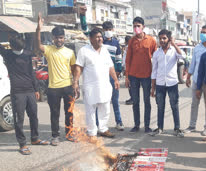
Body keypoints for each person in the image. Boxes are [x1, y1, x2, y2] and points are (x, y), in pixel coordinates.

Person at [0, 35, 49, 155]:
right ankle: (22, 144)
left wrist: (36, 89)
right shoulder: (8, 55)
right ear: (12, 46)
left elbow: (32, 73)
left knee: (34, 116)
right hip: (17, 92)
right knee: (19, 120)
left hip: (30, 91)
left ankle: (35, 138)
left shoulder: (28, 54)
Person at [79, 7, 124, 131]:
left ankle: (119, 122)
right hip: (99, 76)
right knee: (98, 101)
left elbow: (118, 59)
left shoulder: (115, 43)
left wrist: (117, 74)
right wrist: (82, 16)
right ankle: (97, 126)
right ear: (103, 31)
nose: (108, 32)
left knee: (114, 100)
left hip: (111, 74)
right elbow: (85, 30)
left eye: (110, 29)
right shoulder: (99, 41)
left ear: (112, 30)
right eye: (106, 30)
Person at [36, 13, 76, 145]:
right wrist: (38, 29)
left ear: (64, 38)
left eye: (61, 37)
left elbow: (74, 69)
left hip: (68, 86)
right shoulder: (48, 50)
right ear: (52, 38)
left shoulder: (70, 52)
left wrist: (76, 84)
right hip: (53, 88)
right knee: (54, 114)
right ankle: (55, 136)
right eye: (56, 38)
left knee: (69, 112)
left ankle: (69, 134)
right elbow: (38, 46)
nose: (59, 40)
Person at [73, 28, 120, 141]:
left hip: (104, 85)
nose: (100, 39)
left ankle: (103, 129)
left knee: (105, 108)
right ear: (91, 39)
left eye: (101, 37)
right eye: (97, 37)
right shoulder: (84, 51)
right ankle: (92, 132)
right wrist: (75, 82)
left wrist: (115, 79)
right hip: (90, 86)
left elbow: (111, 66)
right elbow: (79, 67)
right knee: (90, 110)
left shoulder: (104, 50)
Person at [125, 17, 157, 133]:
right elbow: (128, 59)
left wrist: (155, 76)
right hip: (133, 76)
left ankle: (147, 126)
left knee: (147, 101)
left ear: (143, 26)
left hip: (147, 76)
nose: (136, 28)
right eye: (134, 26)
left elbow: (156, 58)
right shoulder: (132, 41)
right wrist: (127, 76)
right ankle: (136, 125)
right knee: (135, 101)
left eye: (138, 26)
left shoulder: (151, 40)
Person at [150, 29, 184, 137]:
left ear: (168, 39)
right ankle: (160, 128)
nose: (162, 40)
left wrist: (174, 43)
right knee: (160, 106)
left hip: (172, 83)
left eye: (164, 38)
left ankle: (177, 128)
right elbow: (154, 71)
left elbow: (182, 56)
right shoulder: (156, 53)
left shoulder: (174, 51)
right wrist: (153, 87)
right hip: (160, 84)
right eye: (160, 38)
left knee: (174, 105)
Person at [184, 25, 206, 136]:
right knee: (194, 104)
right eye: (201, 32)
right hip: (196, 80)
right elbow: (193, 64)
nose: (202, 34)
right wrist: (188, 77)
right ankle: (192, 125)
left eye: (204, 32)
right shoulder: (197, 48)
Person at [123, 35, 133, 105]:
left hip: (130, 69)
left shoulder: (128, 48)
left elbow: (125, 60)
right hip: (130, 69)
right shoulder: (129, 48)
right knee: (131, 85)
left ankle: (133, 98)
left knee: (130, 85)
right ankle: (133, 98)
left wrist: (124, 68)